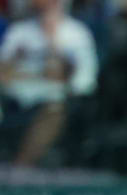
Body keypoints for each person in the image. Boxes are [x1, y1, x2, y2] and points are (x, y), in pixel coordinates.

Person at [0, 0, 98, 166]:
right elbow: (3, 71)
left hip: (57, 100)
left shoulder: (77, 34)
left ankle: (21, 166)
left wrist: (53, 46)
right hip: (15, 99)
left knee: (55, 109)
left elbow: (84, 80)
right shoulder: (19, 32)